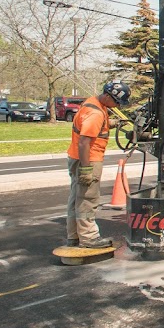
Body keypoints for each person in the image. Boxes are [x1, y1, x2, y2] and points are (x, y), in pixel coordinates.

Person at [65, 82, 130, 248]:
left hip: (74, 158)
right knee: (88, 199)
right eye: (116, 102)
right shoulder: (96, 114)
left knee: (76, 199)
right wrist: (86, 169)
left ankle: (74, 236)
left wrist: (112, 123)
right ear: (108, 97)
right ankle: (89, 238)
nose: (117, 106)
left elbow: (91, 127)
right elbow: (84, 142)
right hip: (88, 160)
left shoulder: (93, 103)